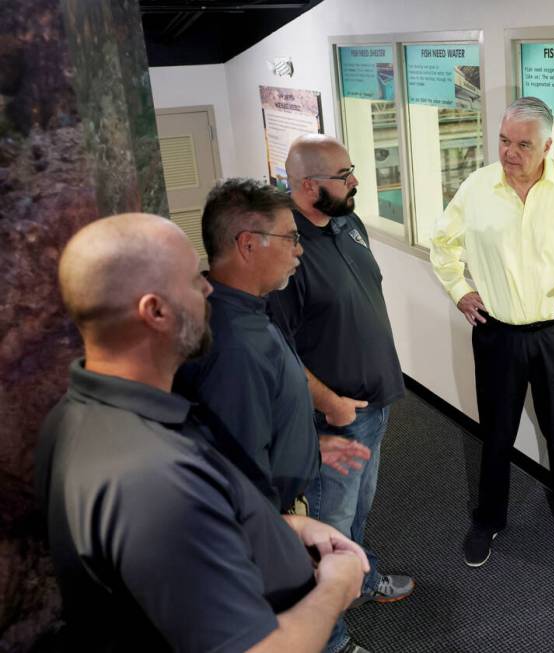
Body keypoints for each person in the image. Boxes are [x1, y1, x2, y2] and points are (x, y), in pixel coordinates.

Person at [35, 213, 369, 653]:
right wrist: (335, 589)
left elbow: (172, 550)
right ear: (155, 311)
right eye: (194, 280)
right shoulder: (150, 476)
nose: (209, 289)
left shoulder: (76, 413)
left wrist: (283, 527)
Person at [430, 96, 554, 567]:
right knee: (496, 433)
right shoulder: (476, 189)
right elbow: (442, 244)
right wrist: (459, 289)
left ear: (548, 145)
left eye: (523, 144)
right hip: (497, 334)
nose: (510, 153)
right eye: (503, 141)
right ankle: (488, 519)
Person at [268, 135, 413, 651]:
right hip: (334, 417)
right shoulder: (286, 248)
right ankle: (330, 639)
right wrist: (328, 402)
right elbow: (278, 350)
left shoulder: (348, 223)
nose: (356, 182)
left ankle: (363, 578)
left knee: (360, 508)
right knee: (327, 528)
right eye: (344, 174)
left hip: (374, 403)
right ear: (309, 187)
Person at [174, 178, 371, 514]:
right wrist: (283, 537)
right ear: (248, 245)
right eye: (291, 238)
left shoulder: (242, 309)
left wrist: (308, 449)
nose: (299, 249)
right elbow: (242, 477)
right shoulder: (235, 347)